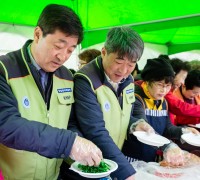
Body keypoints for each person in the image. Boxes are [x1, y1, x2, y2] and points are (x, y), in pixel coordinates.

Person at [0, 4, 102, 180]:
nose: (62, 56)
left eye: (70, 50)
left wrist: (80, 143)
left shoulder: (67, 77)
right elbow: (7, 125)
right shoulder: (5, 69)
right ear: (38, 34)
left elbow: (68, 122)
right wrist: (69, 143)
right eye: (58, 46)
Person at [74, 26, 144, 179]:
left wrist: (135, 124)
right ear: (104, 52)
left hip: (111, 161)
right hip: (87, 165)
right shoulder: (85, 80)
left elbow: (120, 115)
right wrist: (127, 173)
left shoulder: (128, 81)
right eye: (119, 61)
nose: (124, 70)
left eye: (131, 64)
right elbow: (95, 130)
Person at [122, 57, 199, 164]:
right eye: (160, 85)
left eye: (168, 86)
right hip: (130, 157)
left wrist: (184, 131)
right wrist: (168, 145)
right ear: (148, 81)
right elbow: (145, 130)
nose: (164, 90)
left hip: (149, 158)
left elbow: (167, 128)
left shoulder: (162, 101)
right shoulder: (135, 97)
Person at [158, 55, 200, 124]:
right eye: (183, 78)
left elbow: (177, 119)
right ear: (173, 74)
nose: (183, 83)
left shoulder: (170, 91)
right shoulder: (165, 92)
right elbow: (179, 107)